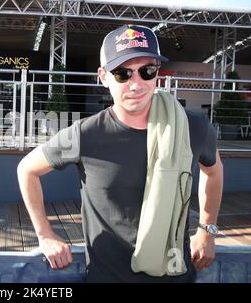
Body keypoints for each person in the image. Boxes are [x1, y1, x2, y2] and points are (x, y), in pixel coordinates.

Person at [17, 24, 223, 282]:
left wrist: (207, 230)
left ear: (157, 74)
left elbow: (212, 172)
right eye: (123, 74)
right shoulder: (85, 134)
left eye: (146, 71)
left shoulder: (192, 127)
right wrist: (45, 234)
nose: (136, 84)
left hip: (175, 274)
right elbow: (27, 169)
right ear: (103, 77)